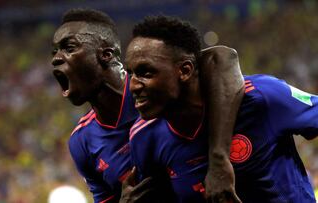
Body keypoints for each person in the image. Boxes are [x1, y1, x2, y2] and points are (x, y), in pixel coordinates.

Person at [51, 9, 244, 203]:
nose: (56, 59)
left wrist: (219, 159)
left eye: (69, 48)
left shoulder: (160, 90)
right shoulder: (82, 142)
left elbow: (221, 57)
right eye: (55, 51)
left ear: (106, 55)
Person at [124, 15, 318, 203]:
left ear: (185, 70)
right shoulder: (144, 137)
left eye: (146, 73)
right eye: (130, 73)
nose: (132, 86)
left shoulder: (262, 97)